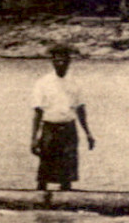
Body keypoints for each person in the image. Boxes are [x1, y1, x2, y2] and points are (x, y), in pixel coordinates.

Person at [30, 43, 95, 191]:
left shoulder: (75, 83)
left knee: (67, 171)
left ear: (69, 61)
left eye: (64, 60)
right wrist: (34, 139)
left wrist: (88, 134)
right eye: (57, 60)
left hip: (68, 129)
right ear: (52, 61)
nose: (61, 64)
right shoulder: (43, 83)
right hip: (49, 128)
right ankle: (41, 202)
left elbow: (80, 109)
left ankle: (66, 198)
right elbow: (38, 112)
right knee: (45, 170)